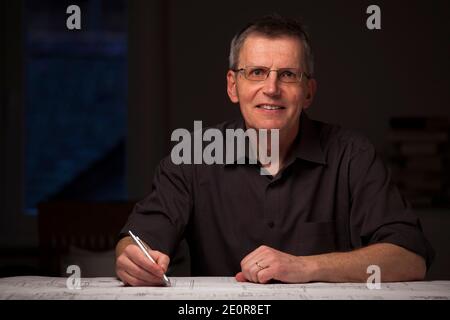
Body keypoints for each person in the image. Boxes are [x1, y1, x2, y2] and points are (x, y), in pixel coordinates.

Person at [115, 14, 434, 286]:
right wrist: (131, 258)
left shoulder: (353, 156)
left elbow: (411, 259)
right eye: (256, 72)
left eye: (288, 75)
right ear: (232, 86)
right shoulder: (193, 155)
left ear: (308, 91)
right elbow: (136, 242)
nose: (271, 88)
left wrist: (306, 267)